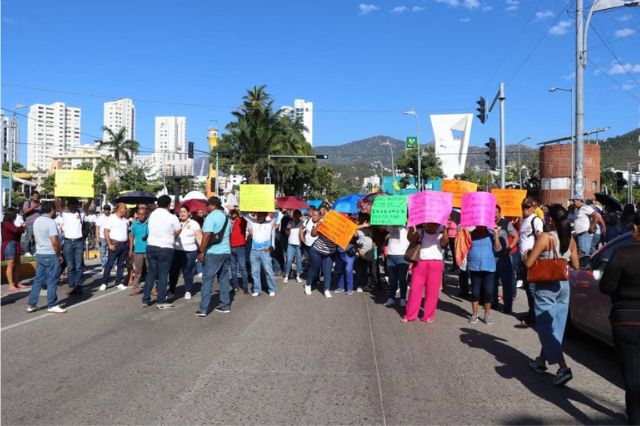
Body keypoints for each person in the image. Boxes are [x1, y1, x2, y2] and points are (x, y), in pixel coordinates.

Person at [525, 204, 579, 387]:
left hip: (546, 285)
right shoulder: (570, 240)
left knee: (546, 328)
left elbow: (529, 264)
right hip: (563, 285)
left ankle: (563, 367)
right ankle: (541, 361)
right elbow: (577, 266)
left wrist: (527, 254)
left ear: (550, 220)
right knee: (556, 326)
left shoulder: (545, 238)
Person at [599, 211, 640, 424]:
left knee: (632, 372)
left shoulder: (622, 254)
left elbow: (606, 286)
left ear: (634, 229)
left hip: (626, 319)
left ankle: (635, 417)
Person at [402, 222, 448, 322]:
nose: (433, 226)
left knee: (432, 291)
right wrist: (411, 225)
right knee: (415, 289)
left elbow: (444, 242)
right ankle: (410, 315)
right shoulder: (419, 232)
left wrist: (445, 229)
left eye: (436, 224)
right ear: (426, 224)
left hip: (436, 264)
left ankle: (429, 316)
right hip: (420, 263)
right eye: (431, 224)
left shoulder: (440, 234)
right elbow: (410, 238)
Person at [26, 202, 66, 313]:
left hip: (40, 253)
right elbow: (54, 241)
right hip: (50, 253)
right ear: (52, 210)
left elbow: (34, 237)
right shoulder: (51, 222)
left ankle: (31, 304)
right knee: (52, 281)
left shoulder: (36, 221)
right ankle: (52, 304)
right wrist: (59, 254)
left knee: (38, 280)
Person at [142, 195, 181, 309]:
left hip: (151, 246)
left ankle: (145, 299)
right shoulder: (172, 217)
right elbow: (178, 230)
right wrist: (172, 237)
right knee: (163, 274)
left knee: (151, 273)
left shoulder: (152, 215)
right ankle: (160, 300)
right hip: (166, 247)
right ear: (169, 205)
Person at [196, 197, 232, 316]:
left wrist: (201, 251)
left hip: (213, 253)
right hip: (226, 252)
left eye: (207, 206)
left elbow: (207, 235)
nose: (206, 208)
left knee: (207, 280)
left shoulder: (211, 217)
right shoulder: (226, 218)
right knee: (223, 279)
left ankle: (203, 309)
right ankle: (225, 305)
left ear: (212, 205)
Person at [467, 224, 502, 325]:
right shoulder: (471, 233)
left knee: (488, 292)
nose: (480, 226)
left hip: (489, 266)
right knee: (475, 292)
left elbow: (498, 249)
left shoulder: (491, 233)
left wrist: (496, 234)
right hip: (474, 266)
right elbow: (464, 247)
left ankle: (487, 315)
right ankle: (474, 314)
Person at [519, 197, 545, 325]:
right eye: (523, 206)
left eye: (528, 207)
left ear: (534, 208)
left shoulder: (536, 220)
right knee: (528, 289)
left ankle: (535, 316)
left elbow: (540, 240)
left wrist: (532, 254)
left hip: (532, 262)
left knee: (532, 289)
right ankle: (532, 312)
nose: (525, 209)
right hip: (524, 261)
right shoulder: (523, 220)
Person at [57, 197, 89, 297]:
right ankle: (71, 285)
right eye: (71, 205)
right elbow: (57, 204)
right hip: (67, 242)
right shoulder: (64, 213)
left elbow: (88, 205)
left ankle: (78, 285)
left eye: (75, 205)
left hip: (79, 242)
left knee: (78, 266)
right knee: (70, 266)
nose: (73, 207)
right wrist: (56, 195)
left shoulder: (81, 212)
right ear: (68, 205)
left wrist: (91, 196)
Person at [169, 205, 202, 300]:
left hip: (190, 252)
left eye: (184, 212)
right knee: (173, 272)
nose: (182, 213)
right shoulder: (176, 223)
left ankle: (188, 290)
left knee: (187, 271)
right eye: (181, 212)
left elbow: (199, 237)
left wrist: (202, 250)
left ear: (189, 213)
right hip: (176, 251)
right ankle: (171, 290)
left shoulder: (194, 223)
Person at [245, 211, 278, 297]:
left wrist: (274, 206)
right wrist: (246, 207)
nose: (258, 217)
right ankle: (257, 289)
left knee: (268, 270)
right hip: (254, 251)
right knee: (255, 271)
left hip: (265, 251)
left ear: (265, 215)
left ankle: (272, 289)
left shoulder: (269, 223)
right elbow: (244, 215)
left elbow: (276, 216)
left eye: (260, 215)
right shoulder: (253, 222)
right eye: (257, 215)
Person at [305, 211, 337, 298]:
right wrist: (318, 225)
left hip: (329, 253)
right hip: (316, 251)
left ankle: (326, 289)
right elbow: (313, 234)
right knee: (315, 269)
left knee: (327, 272)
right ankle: (308, 284)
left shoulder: (339, 228)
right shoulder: (323, 223)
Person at [493, 205, 519, 314]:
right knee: (493, 281)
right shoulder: (487, 223)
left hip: (504, 257)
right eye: (492, 212)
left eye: (496, 212)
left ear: (500, 213)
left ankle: (508, 306)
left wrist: (509, 248)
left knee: (506, 282)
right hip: (492, 257)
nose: (494, 214)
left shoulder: (505, 223)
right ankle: (493, 303)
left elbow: (516, 236)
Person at [100, 202, 130, 291]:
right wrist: (109, 244)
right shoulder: (111, 218)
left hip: (124, 245)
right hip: (115, 244)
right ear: (119, 209)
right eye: (125, 208)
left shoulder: (126, 220)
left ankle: (118, 282)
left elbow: (127, 233)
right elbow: (105, 232)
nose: (126, 210)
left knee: (121, 265)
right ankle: (104, 282)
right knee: (109, 264)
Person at [383, 225, 410, 307]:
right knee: (392, 280)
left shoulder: (407, 226)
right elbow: (384, 231)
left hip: (402, 255)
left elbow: (412, 233)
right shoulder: (390, 225)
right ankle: (391, 298)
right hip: (390, 255)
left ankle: (402, 298)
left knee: (402, 279)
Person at [2, 208, 25, 291]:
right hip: (9, 244)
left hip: (15, 243)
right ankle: (11, 285)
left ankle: (17, 282)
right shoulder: (6, 223)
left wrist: (21, 228)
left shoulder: (10, 223)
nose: (16, 215)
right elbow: (15, 230)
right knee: (11, 264)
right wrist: (22, 227)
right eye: (15, 214)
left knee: (18, 263)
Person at [129, 205, 149, 296]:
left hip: (149, 250)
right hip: (138, 250)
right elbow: (131, 236)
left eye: (143, 214)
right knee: (137, 271)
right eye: (139, 214)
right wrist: (130, 249)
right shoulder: (134, 224)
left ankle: (153, 288)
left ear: (146, 215)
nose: (140, 216)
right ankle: (136, 288)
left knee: (151, 270)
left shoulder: (150, 223)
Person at [228, 209, 249, 294]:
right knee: (233, 269)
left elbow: (245, 218)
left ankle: (245, 287)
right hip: (230, 247)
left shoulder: (241, 220)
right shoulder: (228, 222)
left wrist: (237, 211)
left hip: (240, 247)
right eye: (231, 213)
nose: (232, 214)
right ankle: (235, 286)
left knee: (242, 268)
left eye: (234, 213)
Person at [283, 209, 304, 284]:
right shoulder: (290, 222)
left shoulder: (302, 223)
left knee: (299, 260)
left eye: (298, 214)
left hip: (298, 245)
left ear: (300, 216)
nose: (296, 216)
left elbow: (303, 234)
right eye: (295, 214)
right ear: (293, 215)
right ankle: (286, 275)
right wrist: (287, 229)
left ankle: (298, 275)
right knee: (289, 260)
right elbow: (286, 234)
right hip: (290, 244)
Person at [21, 190, 41, 256]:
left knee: (37, 238)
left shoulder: (40, 204)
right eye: (35, 196)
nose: (36, 197)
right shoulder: (27, 202)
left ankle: (35, 251)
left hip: (38, 224)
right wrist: (33, 207)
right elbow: (24, 211)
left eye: (37, 196)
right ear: (32, 196)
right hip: (30, 223)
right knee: (28, 237)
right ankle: (27, 252)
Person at [95, 205, 112, 271]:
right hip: (102, 237)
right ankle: (104, 266)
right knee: (103, 253)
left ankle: (112, 265)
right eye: (105, 209)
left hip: (111, 237)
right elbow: (97, 228)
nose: (107, 211)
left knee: (111, 252)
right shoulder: (100, 218)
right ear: (103, 210)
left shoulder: (112, 217)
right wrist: (97, 237)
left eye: (108, 209)